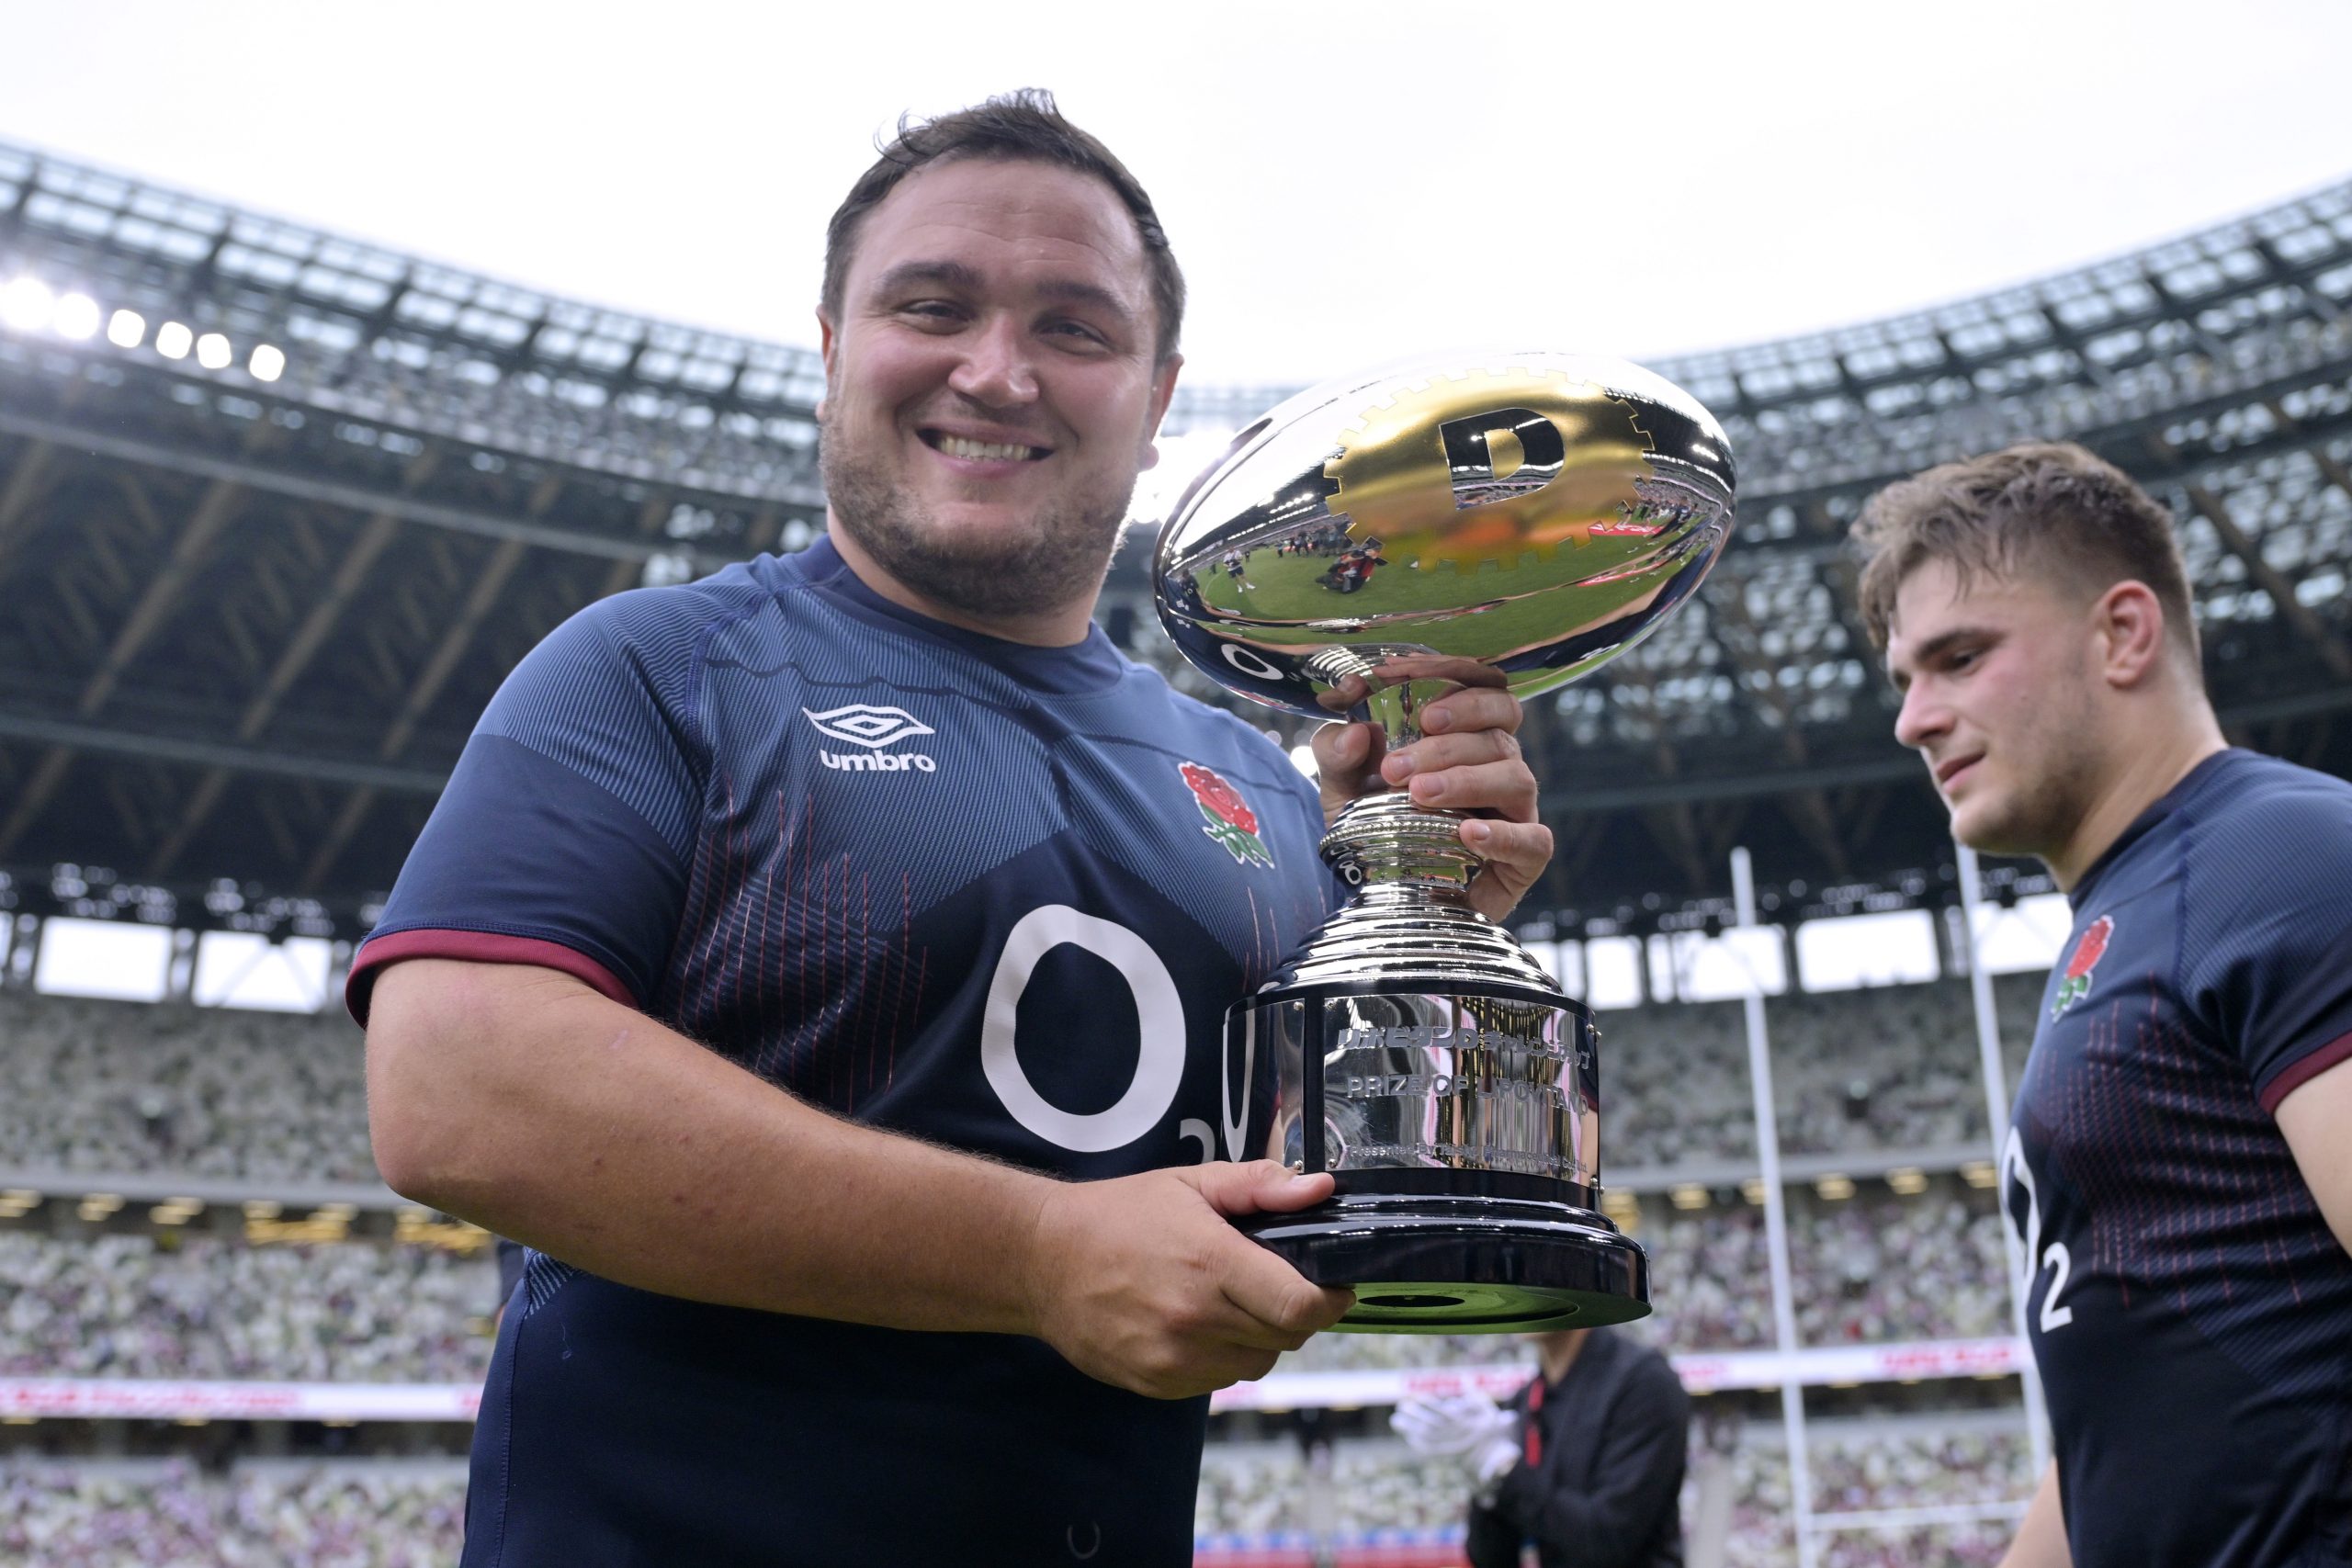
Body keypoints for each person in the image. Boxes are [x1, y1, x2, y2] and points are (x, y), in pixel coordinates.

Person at [351, 91, 1555, 1566]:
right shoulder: (659, 669)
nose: (997, 373)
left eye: (1075, 327)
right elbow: (454, 1085)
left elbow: (1324, 1209)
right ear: (832, 350)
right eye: (934, 307)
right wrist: (1035, 1252)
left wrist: (1423, 926)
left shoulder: (1253, 783)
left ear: (1159, 394)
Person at [1852, 442, 2352, 1568]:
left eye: (1960, 659)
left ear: (2122, 633)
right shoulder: (2133, 915)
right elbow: (2120, 1437)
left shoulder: (2283, 860)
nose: (1913, 719)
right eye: (1905, 679)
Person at [1392, 1327, 1688, 1568]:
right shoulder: (1525, 1400)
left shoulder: (1644, 1382)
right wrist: (1480, 1479)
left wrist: (1501, 1468)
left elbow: (1606, 1543)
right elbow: (1493, 1557)